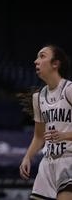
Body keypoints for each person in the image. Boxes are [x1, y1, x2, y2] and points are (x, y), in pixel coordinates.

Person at [19, 44, 72, 200]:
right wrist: (27, 157)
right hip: (48, 163)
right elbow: (39, 136)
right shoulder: (38, 97)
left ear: (55, 64)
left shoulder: (69, 90)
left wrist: (65, 135)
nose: (36, 61)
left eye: (42, 56)